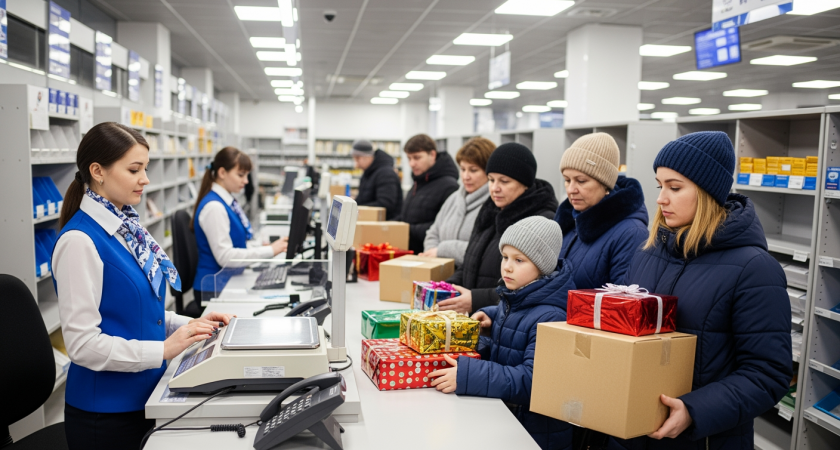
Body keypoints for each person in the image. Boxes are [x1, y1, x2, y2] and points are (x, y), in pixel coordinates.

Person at [52, 122, 235, 450]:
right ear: (98, 171)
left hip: (144, 395)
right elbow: (82, 344)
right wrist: (162, 350)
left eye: (146, 169)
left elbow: (136, 312)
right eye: (134, 169)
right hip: (105, 416)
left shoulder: (127, 228)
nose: (145, 179)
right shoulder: (79, 241)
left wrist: (191, 325)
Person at [609, 132, 792, 450]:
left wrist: (694, 411)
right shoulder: (648, 251)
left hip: (704, 439)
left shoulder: (755, 269)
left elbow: (768, 374)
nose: (661, 199)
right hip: (633, 433)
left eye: (674, 187)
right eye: (659, 185)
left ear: (707, 192)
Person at [429, 216, 573, 450]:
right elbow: (518, 324)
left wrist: (468, 375)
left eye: (519, 260)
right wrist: (493, 315)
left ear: (543, 265)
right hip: (509, 423)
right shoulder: (516, 297)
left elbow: (532, 381)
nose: (507, 266)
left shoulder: (552, 316)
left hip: (533, 436)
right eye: (505, 257)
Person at [445, 142, 559, 315]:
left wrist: (477, 299)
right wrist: (448, 286)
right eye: (491, 180)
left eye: (504, 181)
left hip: (505, 320)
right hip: (475, 317)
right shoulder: (489, 210)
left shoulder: (539, 222)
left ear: (525, 183)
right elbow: (470, 262)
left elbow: (534, 286)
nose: (495, 188)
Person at [192, 147, 288, 306]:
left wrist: (265, 247)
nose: (246, 181)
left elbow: (237, 243)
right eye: (241, 175)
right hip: (213, 289)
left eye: (247, 175)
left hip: (226, 282)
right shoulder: (214, 207)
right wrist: (270, 251)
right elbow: (225, 256)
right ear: (222, 173)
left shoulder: (227, 201)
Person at [554, 132, 648, 289]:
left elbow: (625, 300)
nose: (571, 189)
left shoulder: (632, 233)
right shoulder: (569, 222)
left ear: (606, 184)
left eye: (581, 181)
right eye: (567, 180)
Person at [420, 137, 493, 266]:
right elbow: (432, 233)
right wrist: (432, 254)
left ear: (489, 172)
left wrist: (442, 250)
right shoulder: (453, 198)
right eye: (463, 169)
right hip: (441, 273)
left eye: (473, 170)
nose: (466, 176)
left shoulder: (494, 204)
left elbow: (487, 252)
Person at [396, 134, 459, 253]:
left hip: (427, 255)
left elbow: (444, 228)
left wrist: (405, 229)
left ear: (432, 155)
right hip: (409, 252)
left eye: (417, 158)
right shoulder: (418, 182)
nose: (412, 164)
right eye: (409, 158)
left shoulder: (449, 186)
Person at [353, 139, 403, 219]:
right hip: (370, 219)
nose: (356, 165)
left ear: (367, 156)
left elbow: (385, 204)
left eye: (357, 159)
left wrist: (358, 208)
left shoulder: (386, 173)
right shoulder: (368, 173)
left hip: (384, 223)